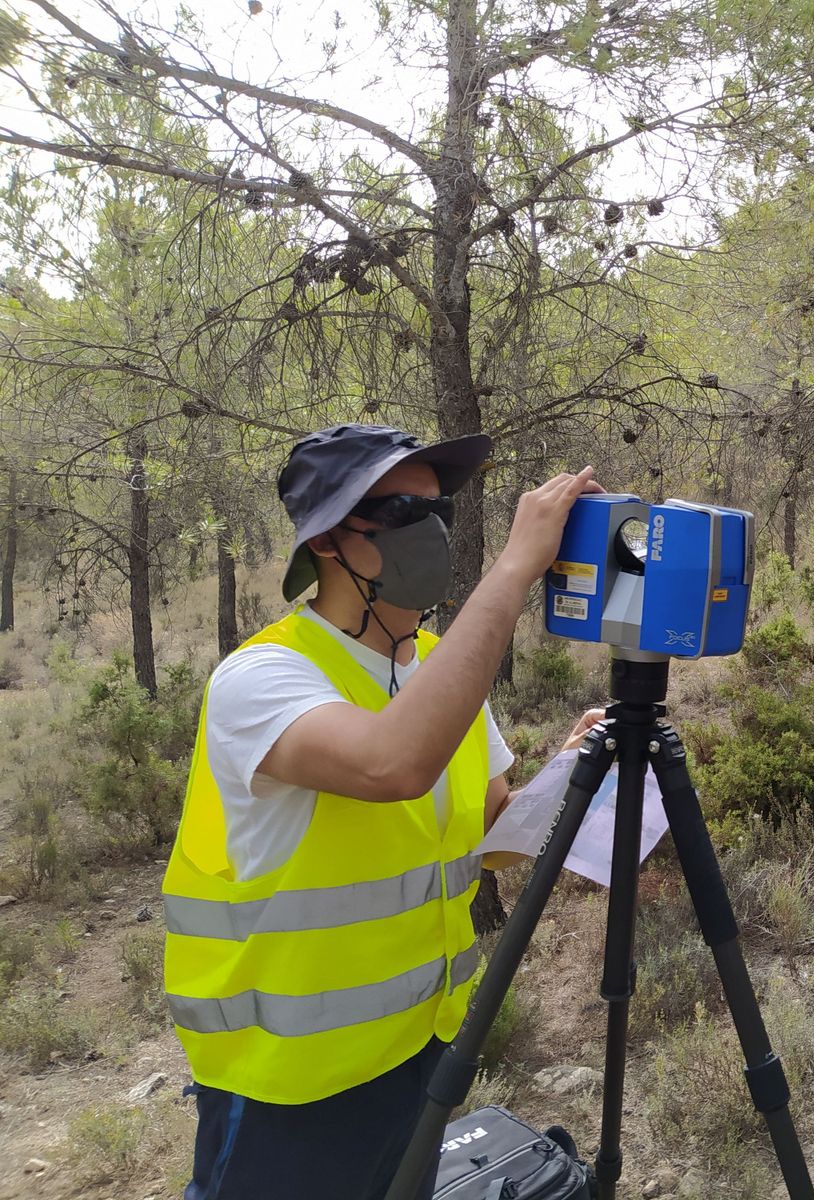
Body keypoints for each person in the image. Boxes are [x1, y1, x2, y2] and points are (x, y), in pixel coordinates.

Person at [163, 424, 605, 1200]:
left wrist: (571, 765)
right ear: (331, 540)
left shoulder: (438, 669)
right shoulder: (262, 677)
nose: (430, 532)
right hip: (291, 1080)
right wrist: (513, 569)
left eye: (438, 512)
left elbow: (490, 832)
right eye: (403, 512)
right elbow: (391, 763)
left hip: (420, 1051)